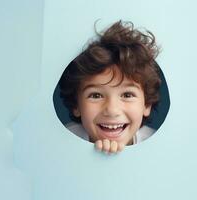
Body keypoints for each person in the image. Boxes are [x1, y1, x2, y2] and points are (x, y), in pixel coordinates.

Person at [58, 20, 161, 154]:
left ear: (146, 105)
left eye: (127, 95)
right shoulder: (61, 143)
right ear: (76, 106)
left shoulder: (157, 146)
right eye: (96, 95)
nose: (112, 110)